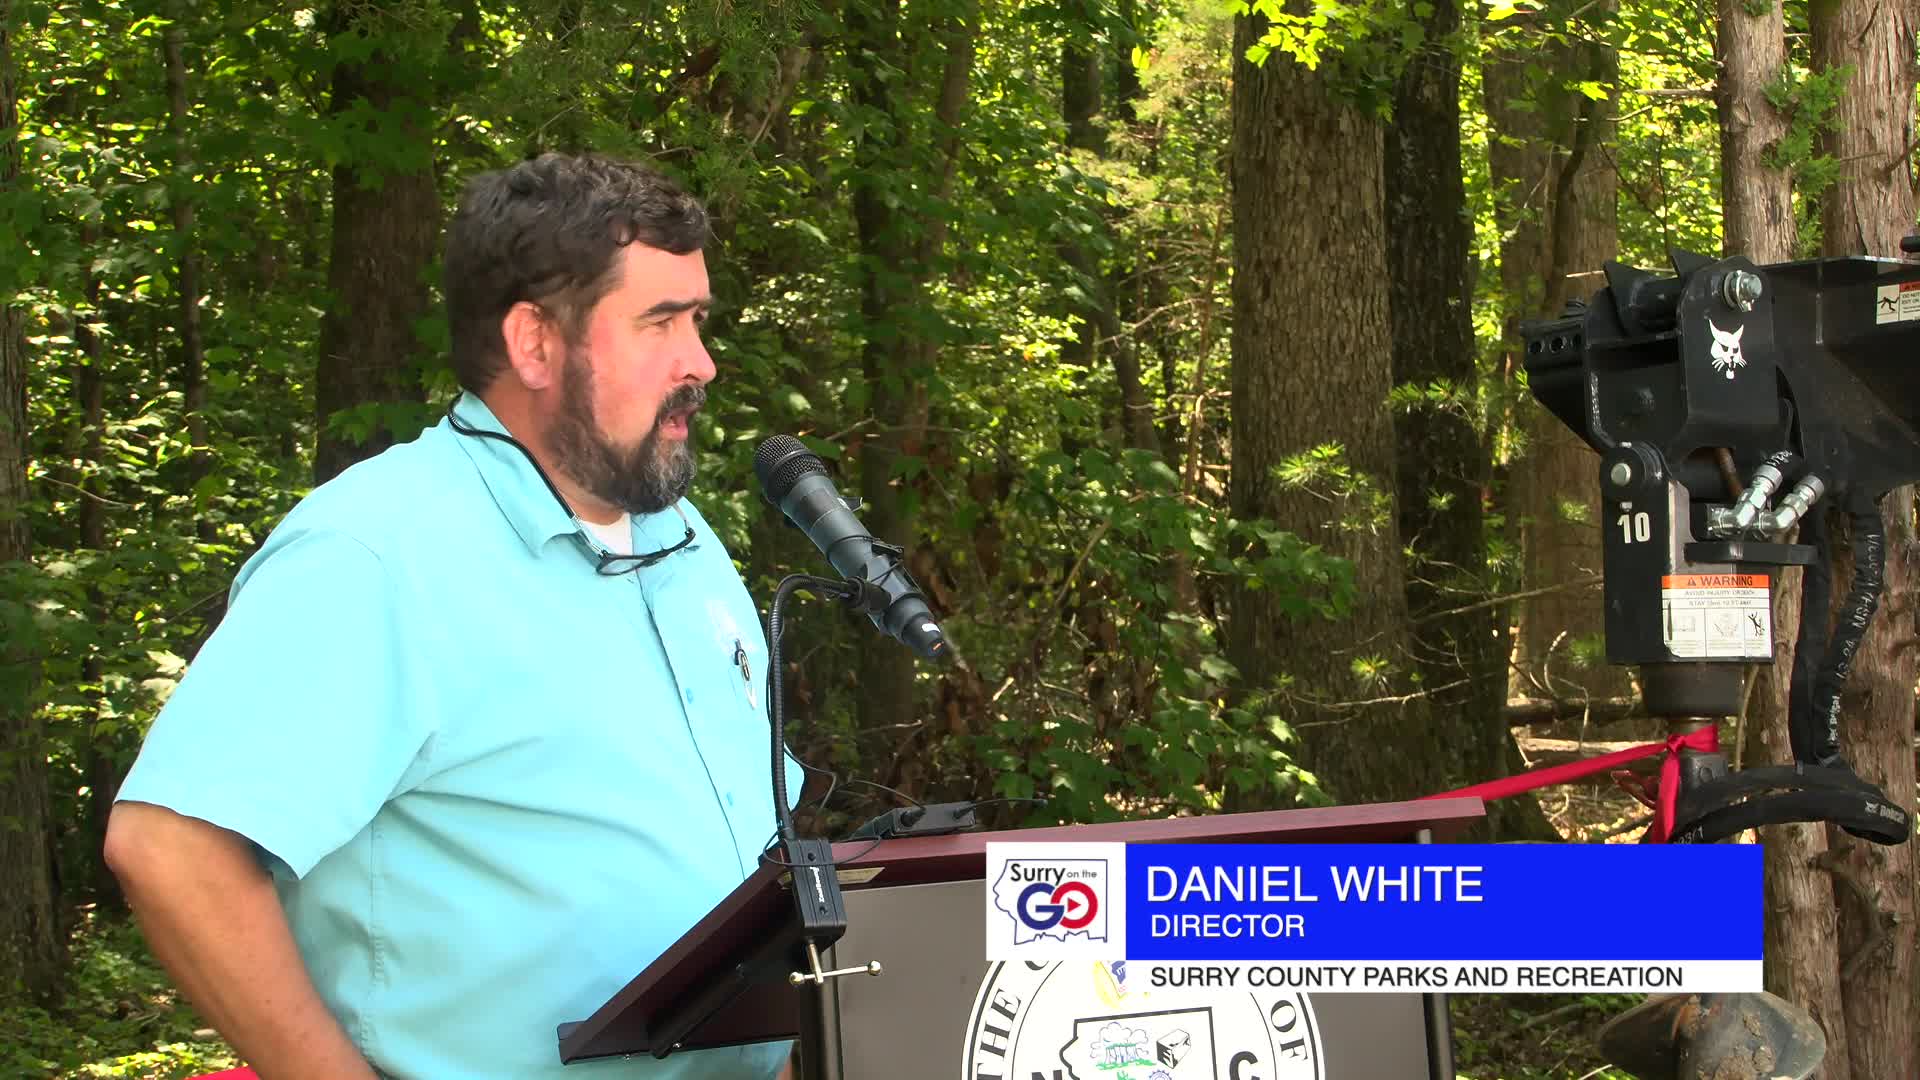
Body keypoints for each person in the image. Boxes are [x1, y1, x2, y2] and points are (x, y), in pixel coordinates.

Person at [104, 153, 800, 1080]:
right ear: (535, 344)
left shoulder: (680, 537)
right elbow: (170, 846)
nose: (701, 363)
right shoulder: (376, 551)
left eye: (697, 320)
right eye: (659, 322)